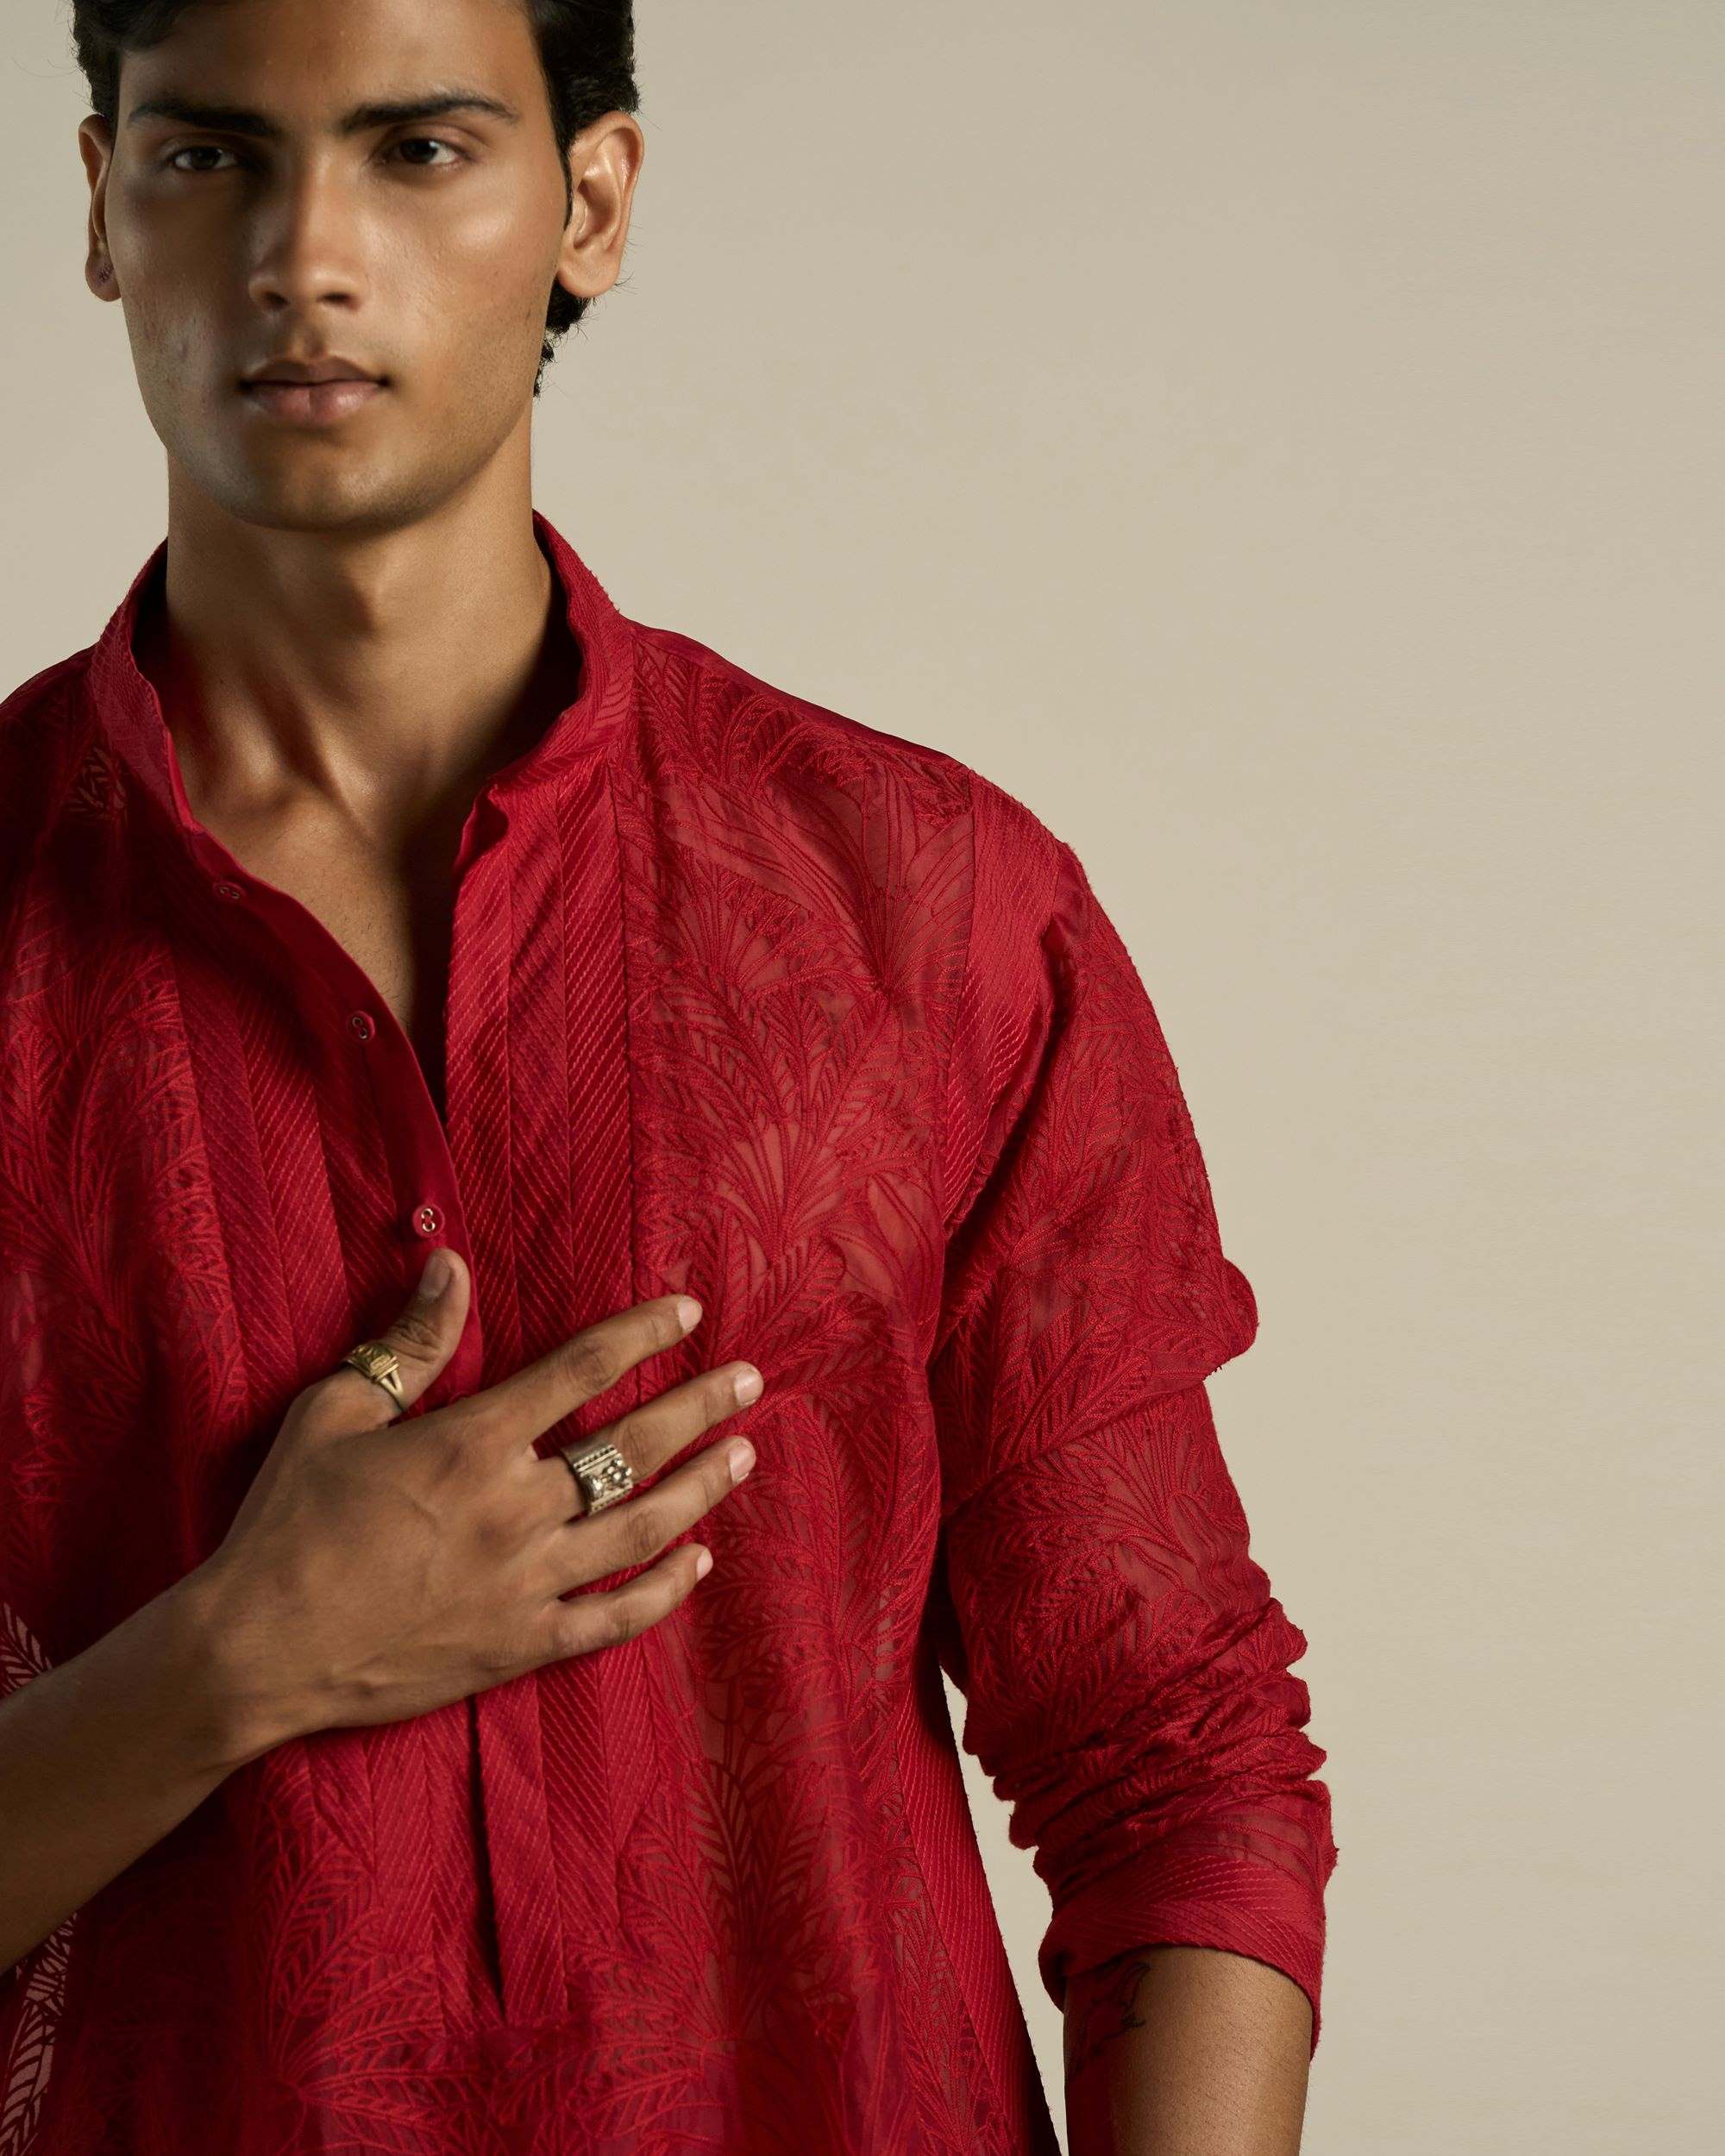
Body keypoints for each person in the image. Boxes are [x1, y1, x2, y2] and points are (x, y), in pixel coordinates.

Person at [0, 2, 1338, 2150]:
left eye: (417, 150)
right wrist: (231, 1662)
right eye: (209, 156)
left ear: (590, 201)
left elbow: (1170, 1761)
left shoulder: (930, 907)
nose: (303, 254)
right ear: (101, 207)